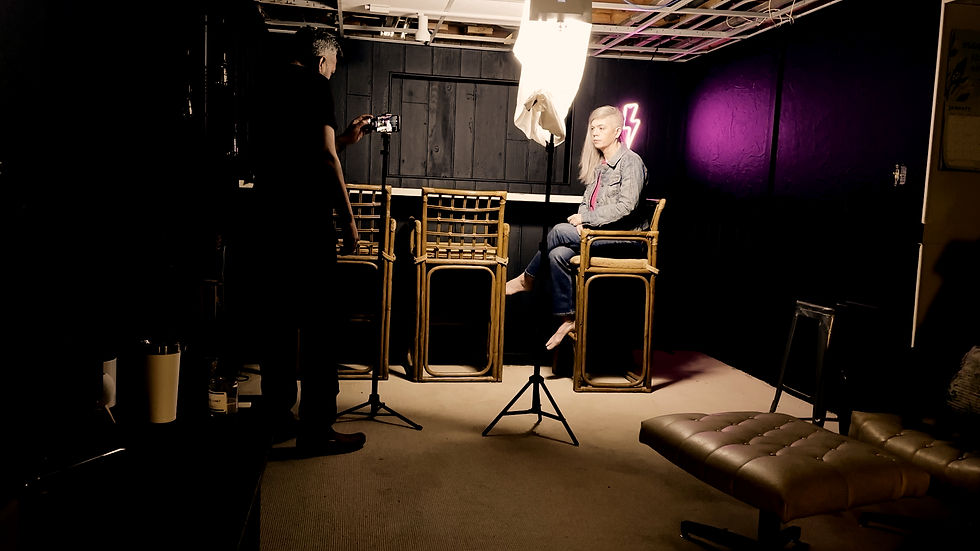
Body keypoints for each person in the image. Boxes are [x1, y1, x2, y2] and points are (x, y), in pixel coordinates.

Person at [243, 26, 372, 456]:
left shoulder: (265, 85)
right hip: (306, 224)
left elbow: (295, 153)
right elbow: (323, 156)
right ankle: (317, 429)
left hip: (267, 220)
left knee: (278, 322)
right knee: (320, 327)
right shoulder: (315, 85)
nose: (331, 74)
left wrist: (345, 140)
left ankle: (278, 416)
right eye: (333, 68)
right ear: (321, 62)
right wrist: (349, 222)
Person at [505, 105, 649, 351]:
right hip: (598, 236)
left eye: (601, 128)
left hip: (626, 240)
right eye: (592, 128)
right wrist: (585, 220)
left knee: (560, 230)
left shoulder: (631, 162)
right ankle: (568, 319)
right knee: (557, 254)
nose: (594, 133)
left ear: (617, 131)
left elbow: (627, 207)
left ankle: (527, 278)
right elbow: (586, 203)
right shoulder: (601, 165)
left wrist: (587, 221)